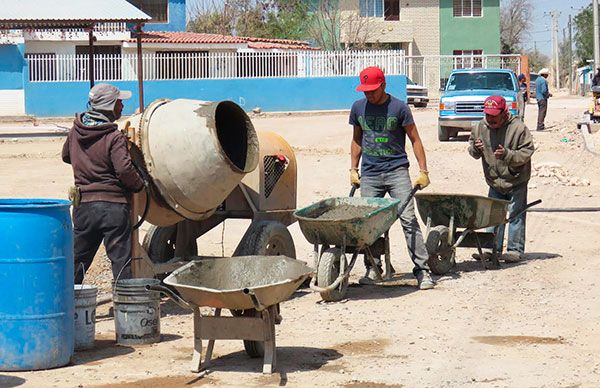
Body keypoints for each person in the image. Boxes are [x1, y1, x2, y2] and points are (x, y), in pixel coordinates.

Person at [349, 66, 434, 290]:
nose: (369, 95)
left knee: (408, 219)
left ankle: (423, 271)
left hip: (397, 170)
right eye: (365, 91)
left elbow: (415, 139)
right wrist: (353, 168)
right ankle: (373, 267)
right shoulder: (358, 108)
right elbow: (357, 139)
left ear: (383, 85)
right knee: (370, 224)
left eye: (373, 90)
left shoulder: (399, 108)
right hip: (371, 173)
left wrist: (423, 171)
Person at [62, 83, 145, 284]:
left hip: (84, 207)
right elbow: (124, 170)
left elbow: (66, 156)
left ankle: (65, 305)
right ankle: (125, 310)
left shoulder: (76, 131)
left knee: (77, 260)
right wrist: (139, 184)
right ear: (109, 106)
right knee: (121, 263)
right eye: (119, 102)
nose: (122, 106)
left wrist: (86, 163)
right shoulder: (113, 136)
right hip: (113, 208)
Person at [468, 96, 535, 263]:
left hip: (516, 180)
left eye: (494, 116)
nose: (491, 119)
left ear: (504, 113)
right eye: (488, 115)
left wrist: (508, 155)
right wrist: (476, 149)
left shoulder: (518, 128)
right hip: (494, 181)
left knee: (515, 215)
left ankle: (515, 250)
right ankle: (491, 249)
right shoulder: (479, 127)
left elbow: (527, 152)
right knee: (493, 215)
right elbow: (472, 149)